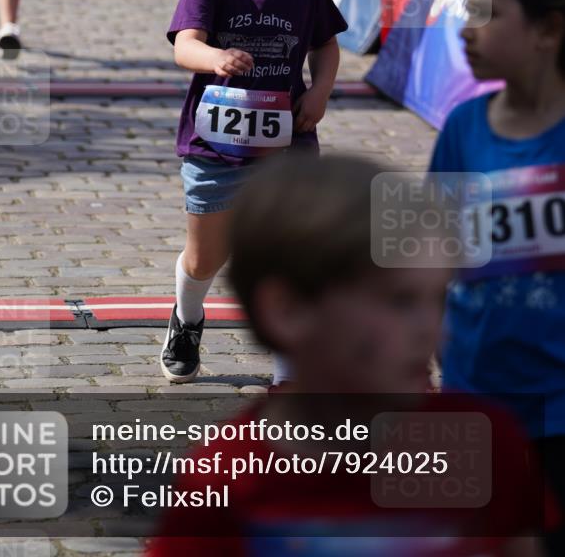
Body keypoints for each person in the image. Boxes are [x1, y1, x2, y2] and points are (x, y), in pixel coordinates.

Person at [148, 153, 554, 555]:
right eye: (400, 301)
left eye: (438, 299)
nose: (431, 329)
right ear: (287, 310)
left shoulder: (486, 443)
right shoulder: (224, 480)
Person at [161, 0, 348, 384]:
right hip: (215, 146)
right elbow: (185, 46)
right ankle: (187, 319)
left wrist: (319, 90)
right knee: (206, 258)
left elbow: (326, 45)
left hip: (289, 143)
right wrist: (216, 58)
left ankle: (289, 371)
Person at [430, 0, 565, 556]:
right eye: (467, 11)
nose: (466, 29)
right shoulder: (462, 128)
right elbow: (417, 258)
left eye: (486, 12)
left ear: (548, 29)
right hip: (472, 404)